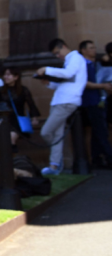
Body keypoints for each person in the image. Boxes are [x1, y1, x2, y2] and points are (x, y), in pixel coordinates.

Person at [35, 38, 88, 176]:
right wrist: (48, 83)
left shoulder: (75, 57)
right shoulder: (70, 61)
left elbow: (68, 74)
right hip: (61, 101)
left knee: (46, 132)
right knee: (57, 134)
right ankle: (55, 166)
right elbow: (66, 82)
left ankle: (56, 163)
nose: (58, 56)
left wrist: (46, 69)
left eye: (58, 52)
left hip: (66, 102)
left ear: (64, 46)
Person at [79, 40, 112, 169]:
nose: (94, 50)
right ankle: (108, 158)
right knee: (101, 131)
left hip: (97, 101)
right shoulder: (83, 65)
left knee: (97, 132)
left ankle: (97, 158)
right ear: (84, 50)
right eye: (91, 48)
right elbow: (84, 82)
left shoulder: (94, 64)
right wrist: (103, 85)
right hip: (90, 102)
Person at [0, 67, 41, 145]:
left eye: (9, 75)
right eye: (4, 74)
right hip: (4, 120)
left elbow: (31, 104)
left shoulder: (23, 90)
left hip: (17, 120)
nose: (6, 77)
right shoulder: (0, 90)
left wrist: (34, 118)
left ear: (16, 77)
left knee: (11, 138)